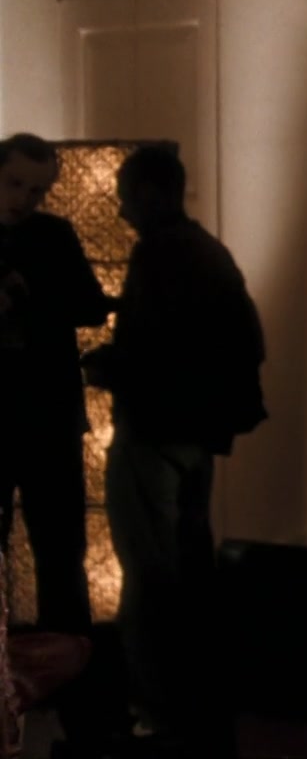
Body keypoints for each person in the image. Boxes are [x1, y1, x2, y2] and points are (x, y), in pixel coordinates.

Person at [84, 145, 266, 759]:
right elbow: (245, 342)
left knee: (149, 577)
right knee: (187, 573)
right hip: (196, 439)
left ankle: (154, 714)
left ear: (149, 194)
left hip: (153, 435)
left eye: (125, 197)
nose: (120, 210)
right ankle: (193, 710)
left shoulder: (158, 254)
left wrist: (107, 367)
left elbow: (154, 354)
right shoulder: (209, 252)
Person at [0, 133, 125, 756]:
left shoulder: (51, 235)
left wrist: (30, 292)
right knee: (53, 561)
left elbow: (88, 306)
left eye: (36, 190)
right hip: (30, 417)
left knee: (62, 560)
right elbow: (87, 304)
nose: (25, 199)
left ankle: (79, 712)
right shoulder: (49, 236)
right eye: (15, 185)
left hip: (45, 420)